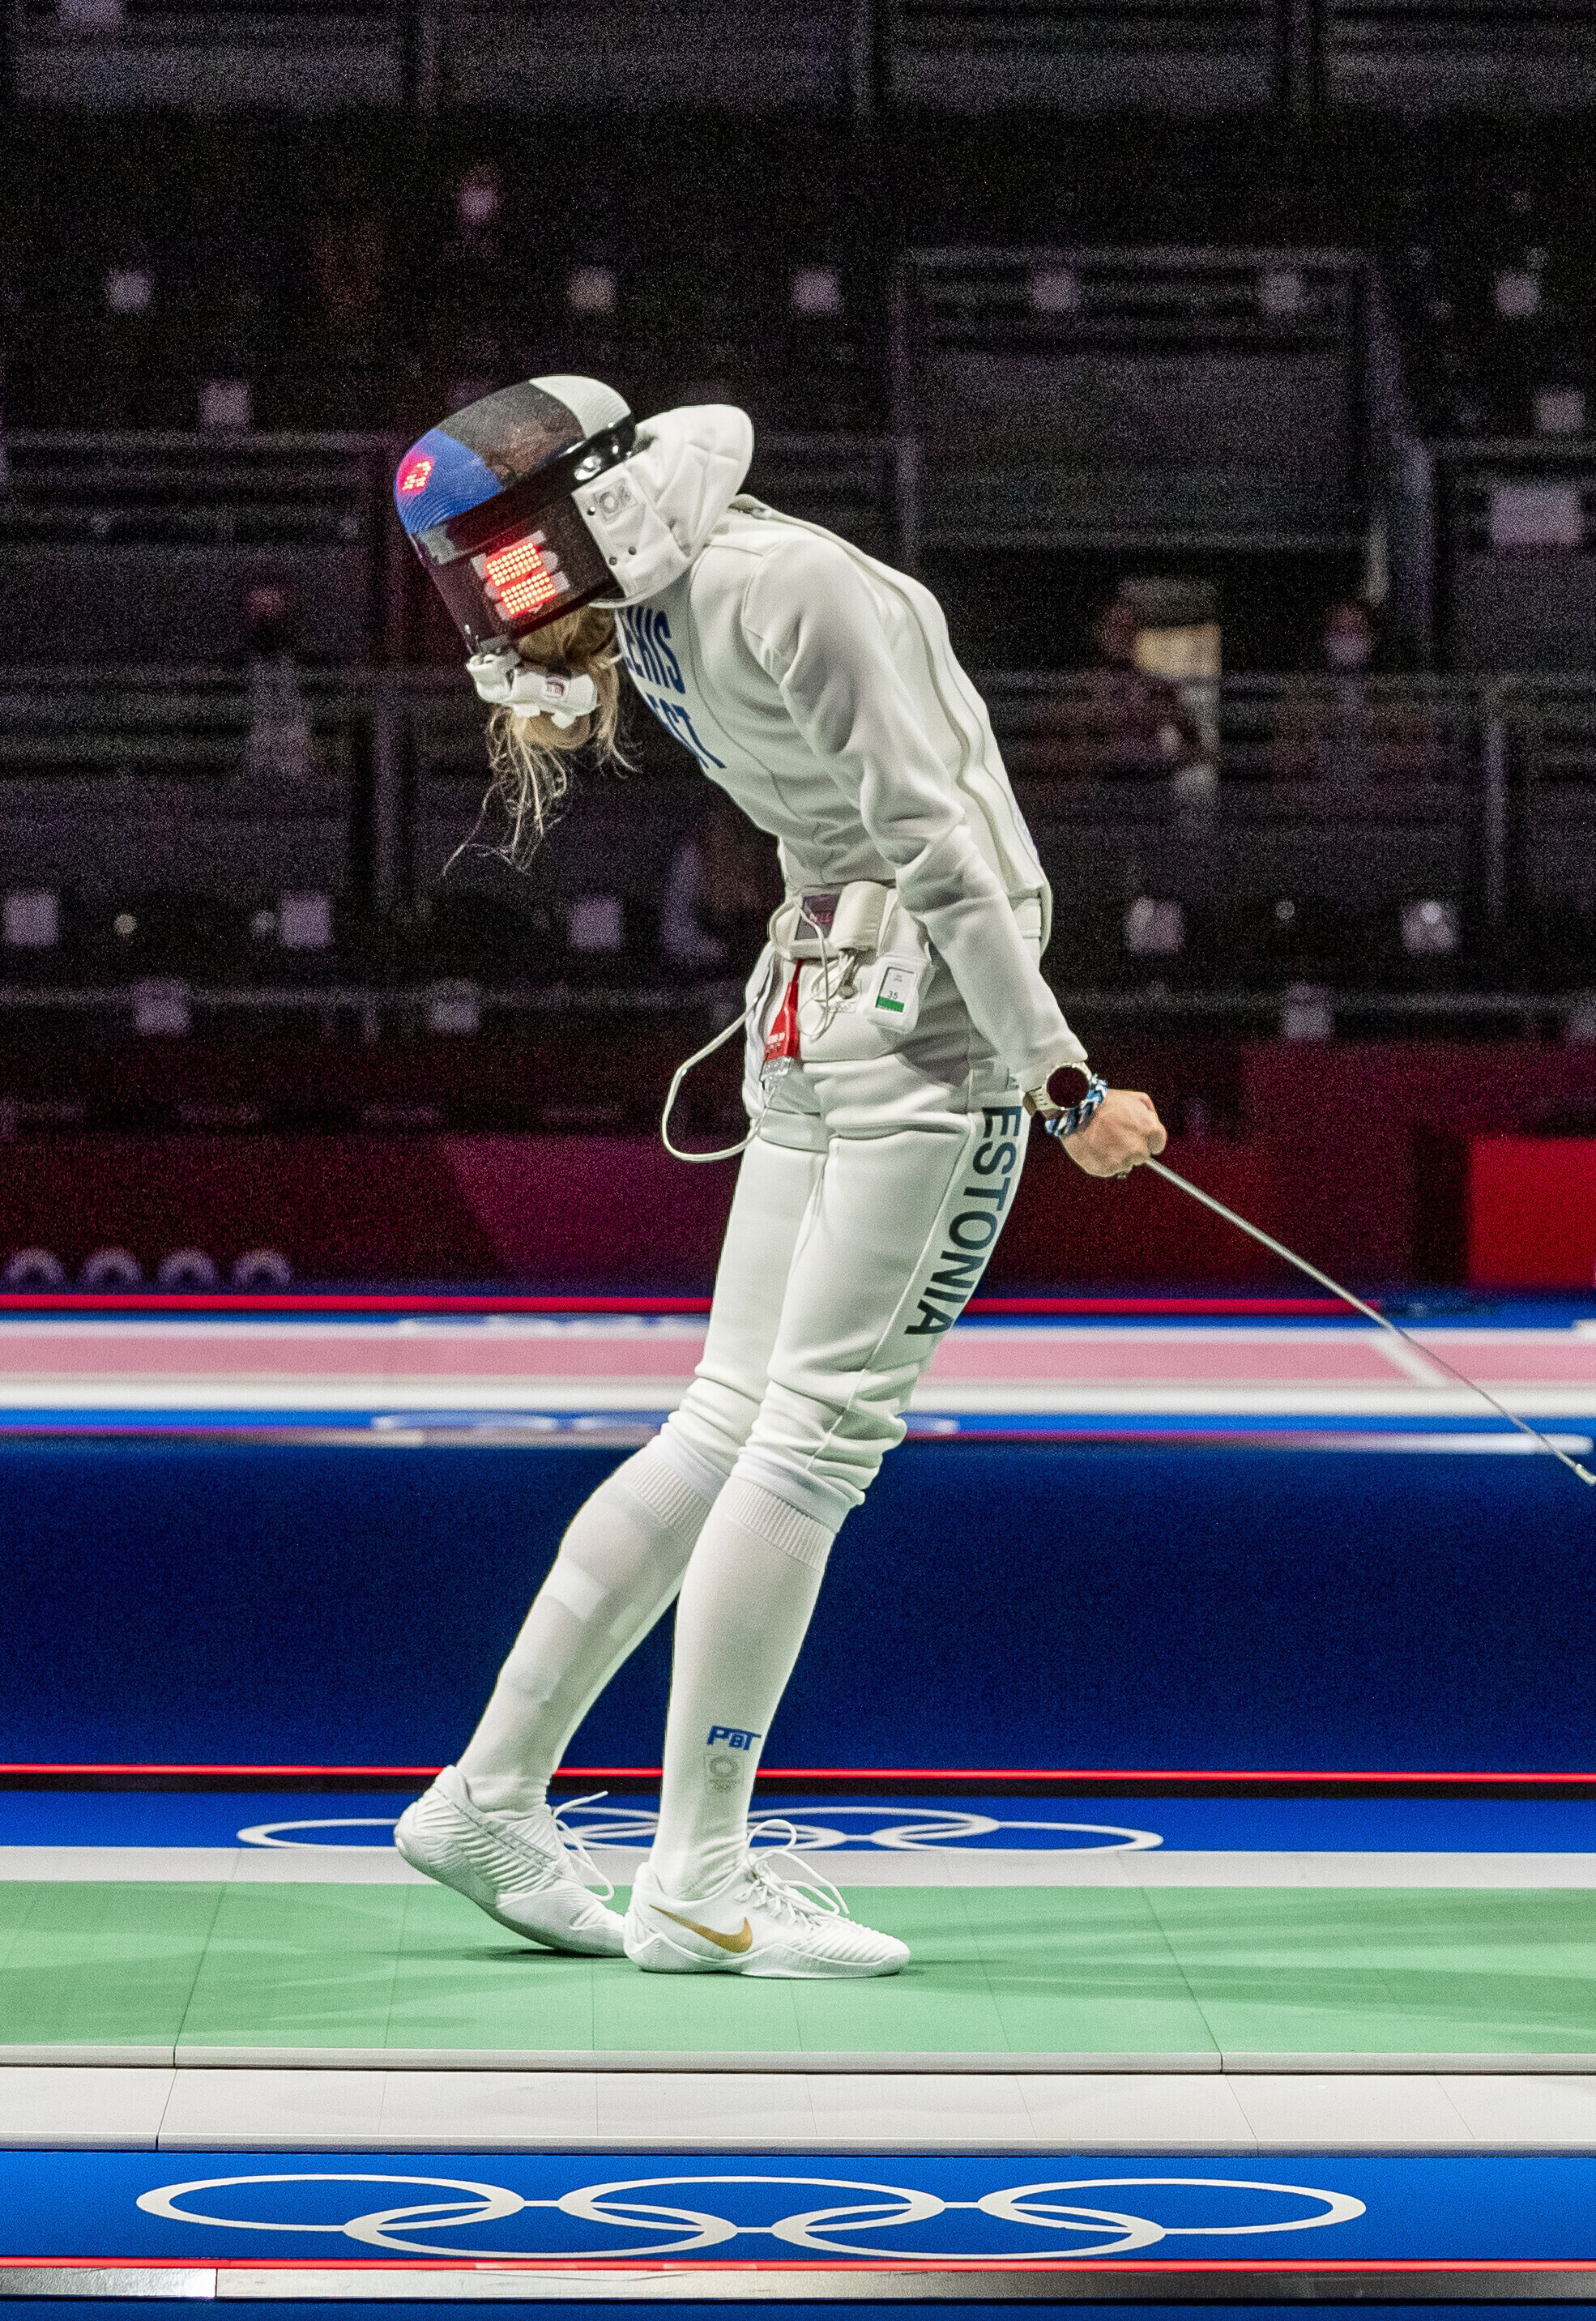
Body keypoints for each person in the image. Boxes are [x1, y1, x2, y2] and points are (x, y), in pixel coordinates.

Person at [388, 375, 1167, 1978]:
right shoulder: (783, 580)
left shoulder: (663, 614)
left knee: (728, 1417)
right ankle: (699, 1875)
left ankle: (486, 1792)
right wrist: (1058, 1073)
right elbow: (939, 848)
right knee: (811, 1439)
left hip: (810, 1006)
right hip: (924, 1028)